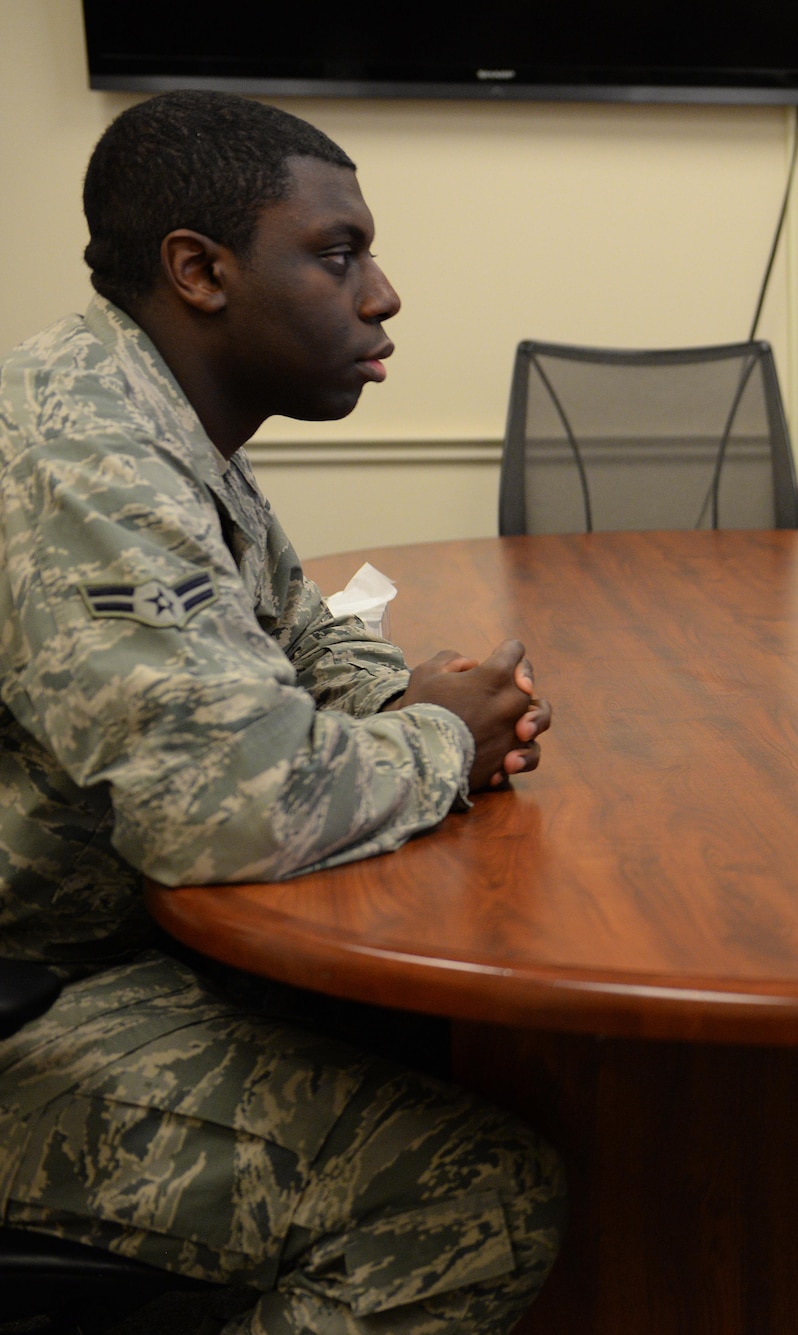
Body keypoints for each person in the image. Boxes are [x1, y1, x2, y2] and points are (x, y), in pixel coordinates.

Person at [0, 92, 563, 1332]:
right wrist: (438, 742)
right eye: (336, 253)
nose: (382, 295)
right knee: (472, 1196)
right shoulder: (81, 454)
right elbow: (234, 813)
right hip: (36, 994)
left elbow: (292, 629)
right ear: (198, 271)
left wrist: (405, 696)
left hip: (110, 940)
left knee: (471, 1046)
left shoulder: (149, 411)